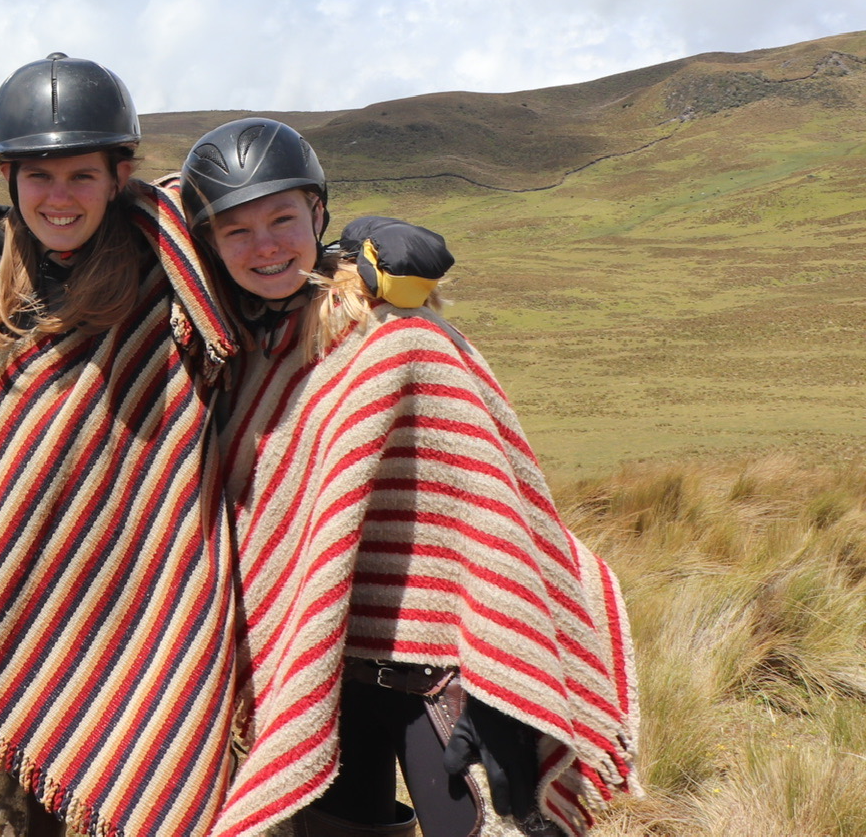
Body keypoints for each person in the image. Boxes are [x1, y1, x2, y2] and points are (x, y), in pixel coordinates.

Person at [184, 118, 640, 837]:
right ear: (207, 243)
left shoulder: (401, 338)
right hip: (319, 680)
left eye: (282, 219)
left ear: (319, 216)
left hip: (441, 679)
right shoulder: (231, 359)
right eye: (235, 231)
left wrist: (501, 670)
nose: (265, 245)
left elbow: (490, 494)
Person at [0, 53, 242, 837]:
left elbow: (272, 262)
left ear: (120, 175)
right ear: (8, 177)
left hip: (134, 627)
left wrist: (359, 265)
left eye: (81, 175)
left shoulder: (174, 279)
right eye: (38, 176)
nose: (59, 196)